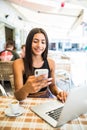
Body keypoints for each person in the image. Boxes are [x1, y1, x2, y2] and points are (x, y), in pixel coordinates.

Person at [13, 28, 67, 102]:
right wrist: (26, 89)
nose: (39, 45)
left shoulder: (51, 63)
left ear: (46, 44)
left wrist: (59, 93)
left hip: (46, 99)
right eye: (35, 41)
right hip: (26, 100)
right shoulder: (18, 64)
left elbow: (52, 86)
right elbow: (18, 96)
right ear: (29, 43)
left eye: (43, 42)